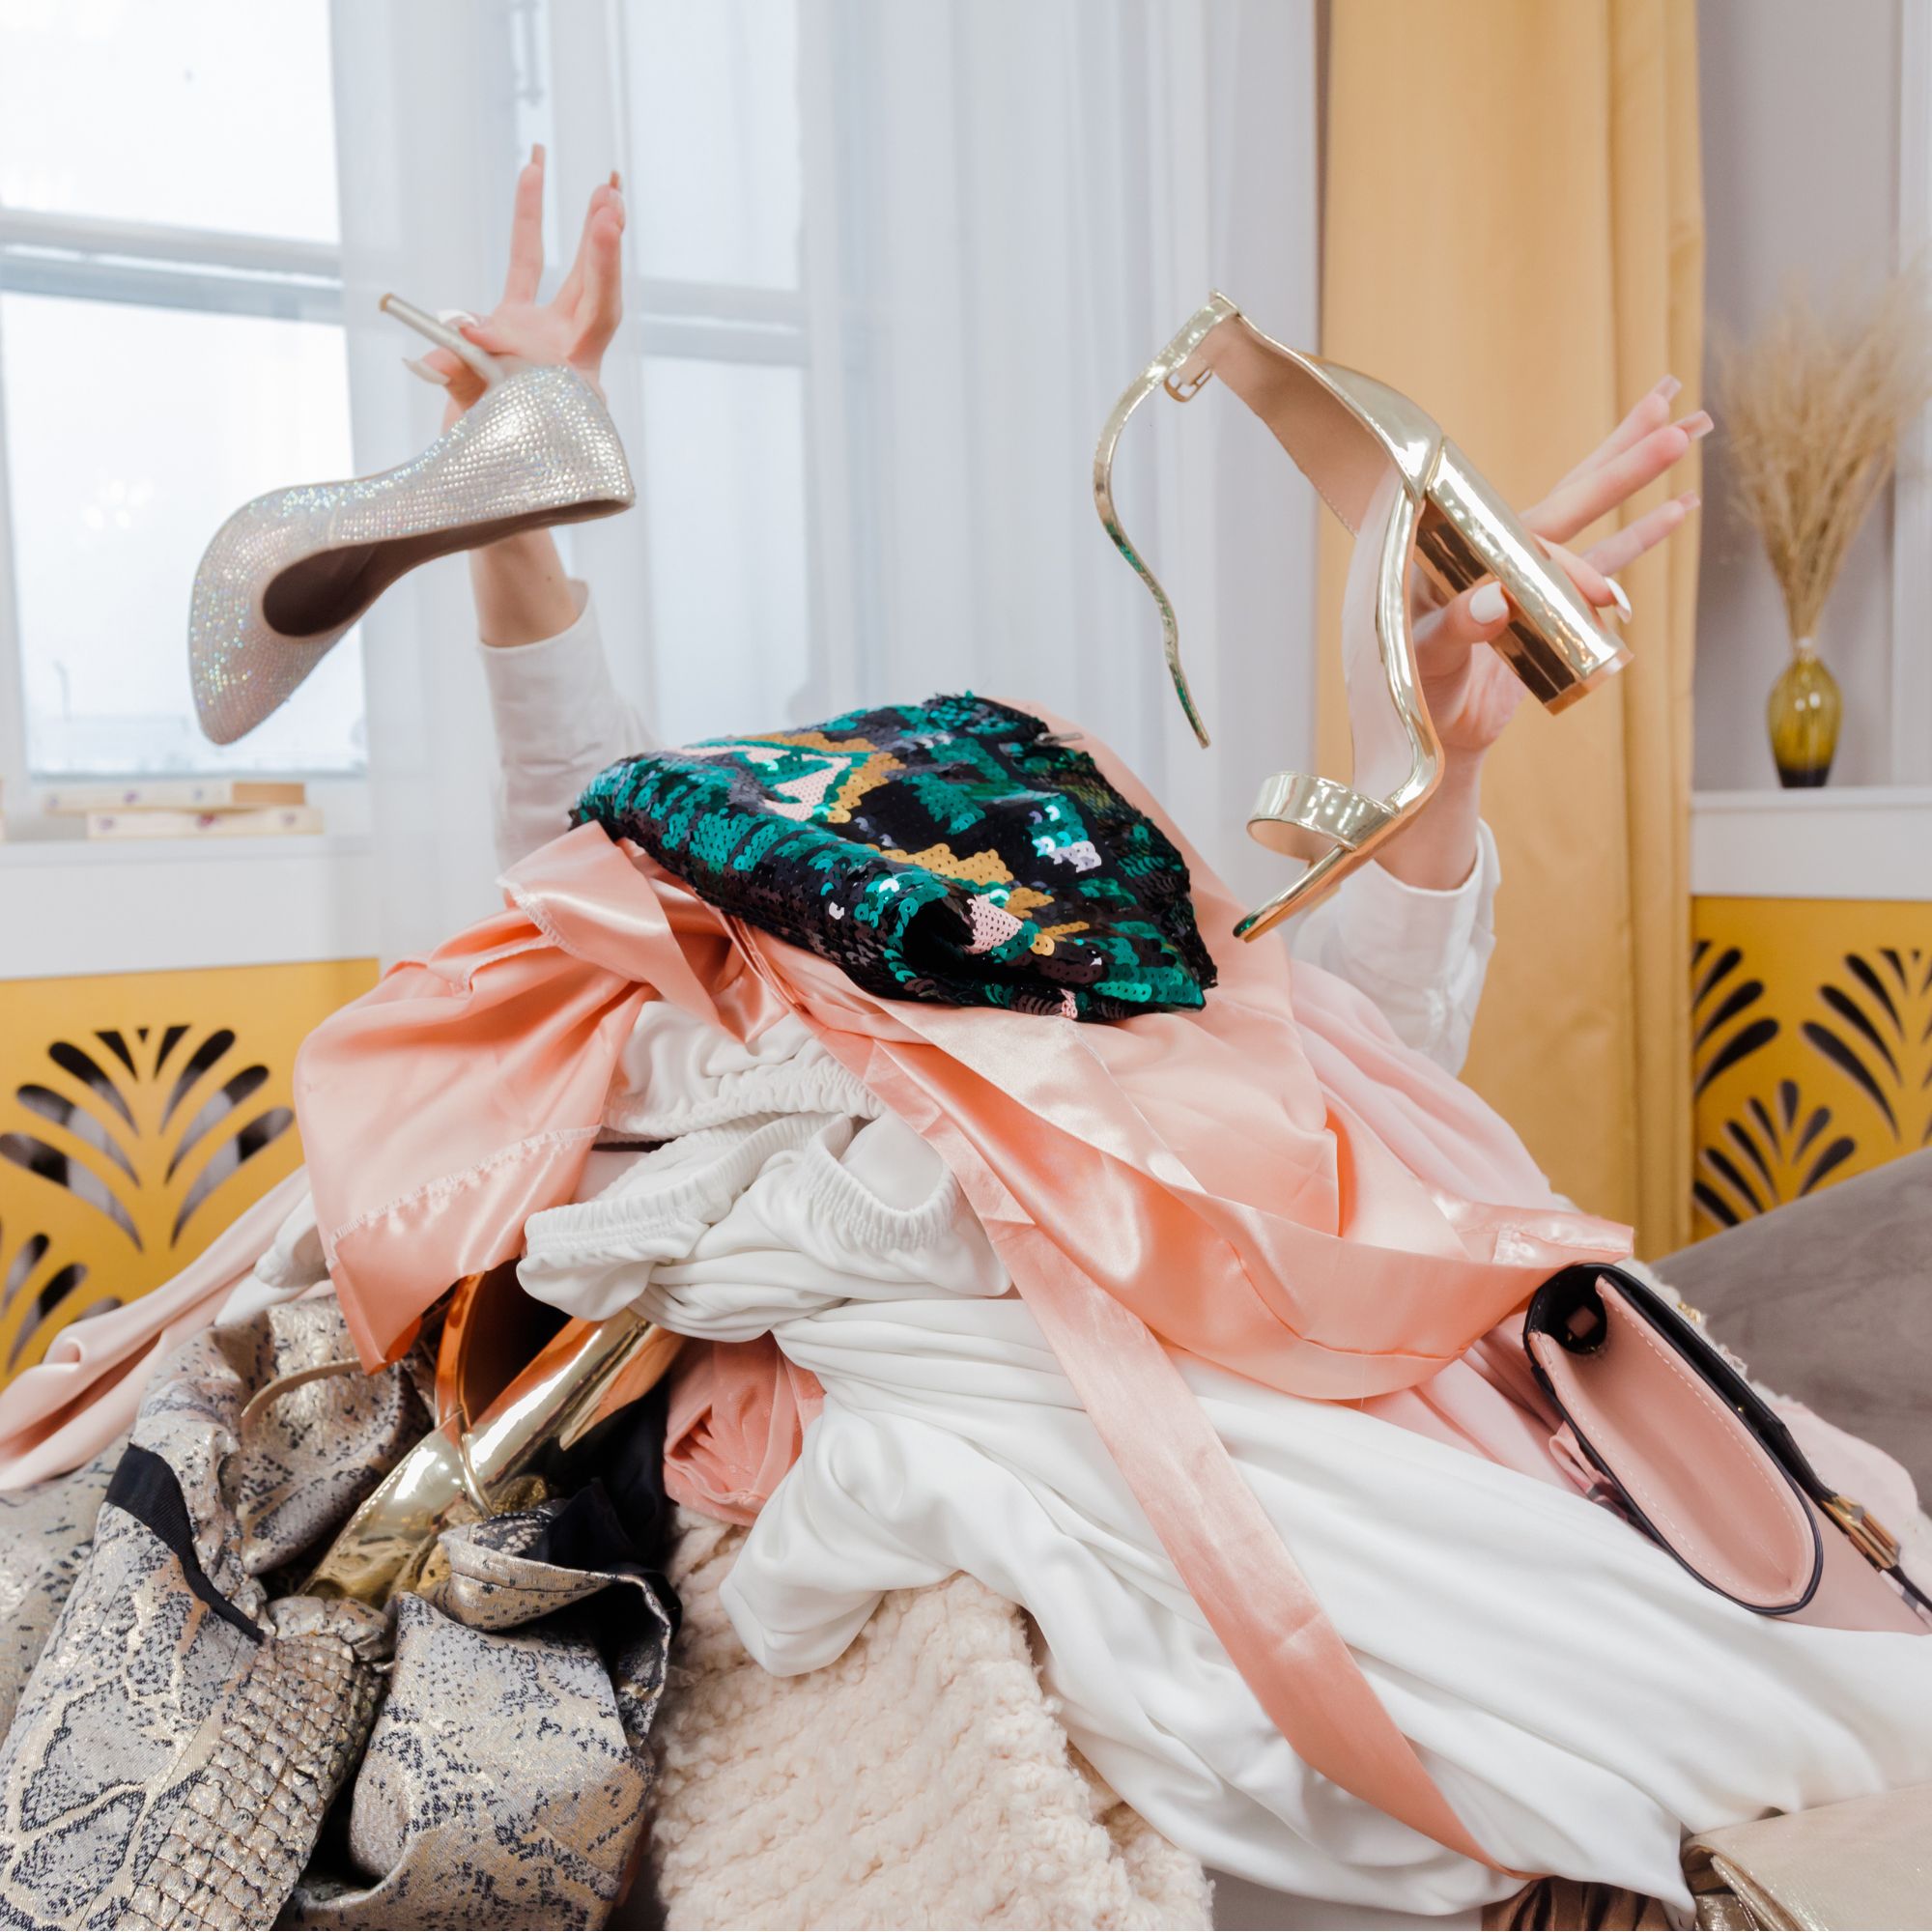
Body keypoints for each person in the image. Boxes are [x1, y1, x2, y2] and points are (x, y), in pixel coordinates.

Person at [415, 149, 1706, 1077]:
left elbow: (1366, 1072)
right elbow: (593, 877)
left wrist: (1434, 755)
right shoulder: (760, 1029)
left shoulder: (1138, 987)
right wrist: (512, 490)